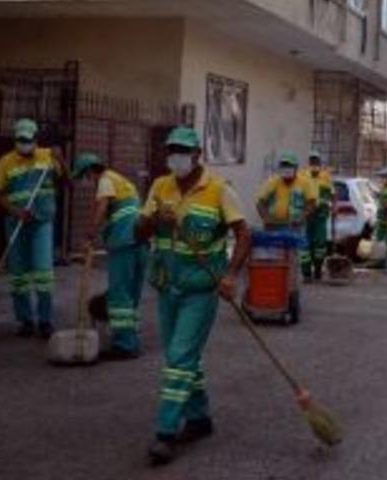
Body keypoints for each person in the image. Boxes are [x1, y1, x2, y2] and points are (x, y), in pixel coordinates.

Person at [136, 126, 250, 465]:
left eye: (183, 151)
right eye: (172, 150)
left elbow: (243, 234)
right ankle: (200, 418)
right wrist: (156, 219)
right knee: (180, 357)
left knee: (179, 357)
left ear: (198, 154)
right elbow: (137, 231)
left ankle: (165, 432)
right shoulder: (160, 186)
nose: (176, 157)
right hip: (166, 285)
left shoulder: (218, 190)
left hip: (201, 288)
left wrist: (230, 274)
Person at [0, 118, 68, 338]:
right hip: (16, 222)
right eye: (21, 140)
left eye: (28, 140)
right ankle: (25, 320)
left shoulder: (47, 156)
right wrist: (13, 210)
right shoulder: (6, 162)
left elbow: (66, 179)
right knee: (19, 275)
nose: (24, 143)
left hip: (42, 222)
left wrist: (60, 160)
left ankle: (45, 320)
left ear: (35, 139)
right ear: (16, 140)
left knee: (43, 273)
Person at [71, 152, 148, 359]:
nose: (87, 182)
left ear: (90, 171)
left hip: (124, 241)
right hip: (139, 241)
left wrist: (89, 235)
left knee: (119, 293)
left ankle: (124, 345)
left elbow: (101, 206)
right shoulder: (122, 181)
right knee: (131, 292)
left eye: (85, 177)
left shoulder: (105, 180)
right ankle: (130, 337)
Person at [256, 152, 317, 282]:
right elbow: (260, 202)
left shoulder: (304, 183)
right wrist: (266, 217)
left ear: (296, 168)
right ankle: (274, 281)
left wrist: (302, 216)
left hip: (294, 226)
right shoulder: (273, 182)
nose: (286, 169)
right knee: (275, 255)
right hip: (275, 226)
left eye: (289, 166)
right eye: (283, 166)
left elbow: (311, 203)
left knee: (294, 256)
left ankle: (296, 283)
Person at [301, 151, 332, 281]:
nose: (314, 164)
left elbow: (332, 194)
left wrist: (334, 207)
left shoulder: (326, 177)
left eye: (316, 161)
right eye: (312, 161)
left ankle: (318, 269)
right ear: (309, 162)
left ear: (320, 163)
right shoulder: (302, 176)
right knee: (305, 246)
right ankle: (307, 273)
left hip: (321, 216)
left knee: (320, 244)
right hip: (306, 215)